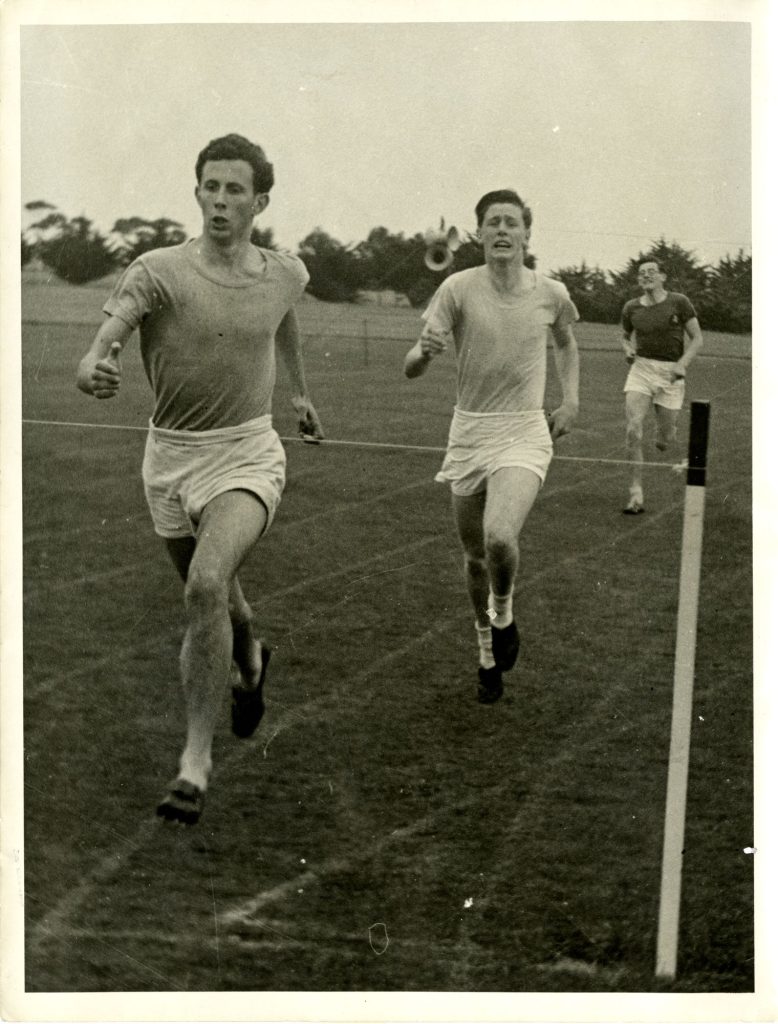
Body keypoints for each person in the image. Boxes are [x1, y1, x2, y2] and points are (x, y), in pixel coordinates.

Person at [76, 133, 323, 825]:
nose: (220, 200)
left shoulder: (285, 272)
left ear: (260, 200)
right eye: (210, 186)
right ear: (197, 192)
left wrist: (299, 394)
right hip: (169, 460)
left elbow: (284, 320)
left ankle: (194, 763)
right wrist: (95, 366)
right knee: (225, 608)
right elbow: (100, 348)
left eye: (234, 189)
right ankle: (250, 663)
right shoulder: (156, 270)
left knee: (207, 584)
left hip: (247, 453)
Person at [404, 189, 580, 704]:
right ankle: (486, 653)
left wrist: (570, 401)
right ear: (478, 234)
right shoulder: (456, 288)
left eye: (512, 222)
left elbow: (567, 344)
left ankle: (503, 615)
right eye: (492, 223)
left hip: (525, 430)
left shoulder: (550, 292)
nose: (502, 230)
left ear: (527, 233)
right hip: (470, 432)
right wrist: (423, 353)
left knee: (500, 536)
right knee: (475, 557)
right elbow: (411, 365)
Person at [620, 260, 703, 514]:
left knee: (665, 441)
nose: (646, 277)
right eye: (641, 274)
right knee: (633, 430)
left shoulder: (679, 301)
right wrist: (628, 349)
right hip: (642, 370)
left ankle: (665, 432)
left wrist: (682, 364)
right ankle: (636, 493)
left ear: (663, 277)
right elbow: (624, 335)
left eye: (651, 273)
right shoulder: (631, 307)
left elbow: (698, 338)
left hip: (670, 374)